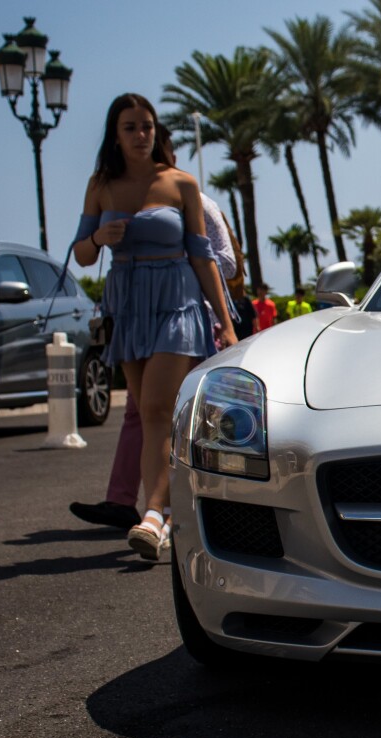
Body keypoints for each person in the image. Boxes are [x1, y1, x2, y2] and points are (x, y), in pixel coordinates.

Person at [71, 93, 236, 560]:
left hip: (176, 298)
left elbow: (203, 258)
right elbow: (81, 252)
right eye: (130, 127)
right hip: (128, 302)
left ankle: (152, 514)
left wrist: (225, 324)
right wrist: (99, 237)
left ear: (156, 132)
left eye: (147, 126)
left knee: (160, 406)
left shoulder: (180, 183)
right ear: (115, 135)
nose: (141, 135)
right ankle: (161, 517)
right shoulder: (101, 185)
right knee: (146, 414)